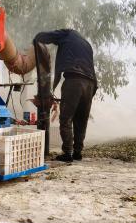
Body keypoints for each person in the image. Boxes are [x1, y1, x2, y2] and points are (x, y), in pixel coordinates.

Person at [33, 29, 97, 162]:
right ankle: (78, 152)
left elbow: (49, 35)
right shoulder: (87, 44)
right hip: (90, 83)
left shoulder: (67, 34)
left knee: (66, 118)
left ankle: (67, 152)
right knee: (81, 120)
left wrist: (37, 38)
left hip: (74, 80)